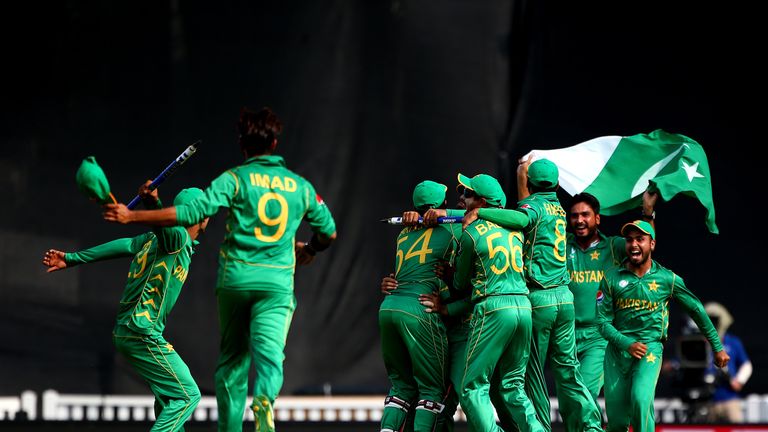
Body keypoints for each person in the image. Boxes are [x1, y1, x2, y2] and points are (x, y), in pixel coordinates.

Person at [102, 107, 338, 432]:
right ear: (275, 144)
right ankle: (266, 399)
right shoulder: (301, 186)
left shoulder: (234, 178)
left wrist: (133, 216)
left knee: (233, 362)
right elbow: (329, 232)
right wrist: (310, 249)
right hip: (276, 283)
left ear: (243, 145)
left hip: (236, 280)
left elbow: (193, 211)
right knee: (270, 356)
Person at [43, 183, 208, 432]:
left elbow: (123, 245)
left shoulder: (153, 239)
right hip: (143, 333)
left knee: (168, 398)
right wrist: (153, 203)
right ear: (201, 215)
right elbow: (164, 229)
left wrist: (72, 258)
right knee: (187, 396)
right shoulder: (178, 238)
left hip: (127, 331)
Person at [465, 158, 602, 432]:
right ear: (558, 184)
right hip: (565, 298)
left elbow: (522, 217)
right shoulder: (559, 208)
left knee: (533, 376)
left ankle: (541, 428)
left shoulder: (534, 207)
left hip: (541, 299)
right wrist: (521, 176)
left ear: (529, 184)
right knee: (568, 372)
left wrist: (483, 213)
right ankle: (591, 427)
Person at [598, 220, 729, 432]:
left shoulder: (668, 279)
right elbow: (602, 323)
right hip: (617, 352)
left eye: (640, 239)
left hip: (649, 350)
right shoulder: (612, 278)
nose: (633, 244)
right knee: (617, 421)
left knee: (641, 400)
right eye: (630, 239)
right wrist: (626, 344)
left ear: (652, 244)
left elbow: (696, 309)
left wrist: (717, 346)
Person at [440, 173, 543, 432]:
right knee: (513, 385)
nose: (462, 198)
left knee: (472, 386)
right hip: (523, 306)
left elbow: (461, 284)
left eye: (467, 194)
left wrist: (451, 270)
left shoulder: (471, 233)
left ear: (481, 202)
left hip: (494, 307)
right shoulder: (516, 228)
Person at [380, 181, 469, 432]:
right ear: (441, 204)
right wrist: (448, 216)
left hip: (390, 307)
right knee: (432, 390)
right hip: (422, 310)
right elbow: (481, 218)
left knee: (401, 388)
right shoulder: (455, 230)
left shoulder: (404, 231)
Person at [565, 191, 656, 409]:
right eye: (574, 215)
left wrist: (648, 212)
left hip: (599, 337)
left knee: (583, 397)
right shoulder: (562, 245)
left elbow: (644, 244)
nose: (579, 220)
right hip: (565, 338)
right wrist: (522, 179)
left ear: (597, 218)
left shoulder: (614, 246)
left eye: (585, 214)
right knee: (570, 406)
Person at [704, 302, 752, 423]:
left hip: (730, 399)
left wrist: (738, 380)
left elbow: (746, 364)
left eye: (715, 320)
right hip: (707, 401)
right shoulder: (699, 343)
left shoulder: (732, 342)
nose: (713, 323)